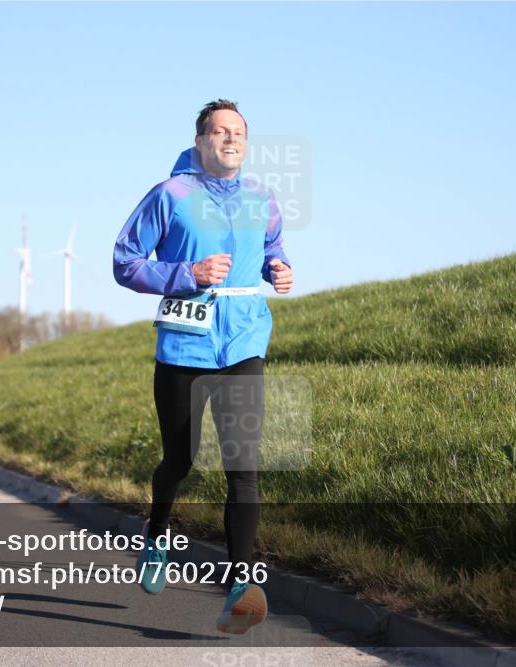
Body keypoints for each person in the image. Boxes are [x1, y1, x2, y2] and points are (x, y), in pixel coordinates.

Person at [113, 100, 294, 634]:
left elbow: (272, 249)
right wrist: (185, 273)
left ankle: (240, 582)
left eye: (238, 132)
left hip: (243, 341)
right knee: (179, 460)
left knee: (244, 466)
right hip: (183, 348)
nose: (230, 139)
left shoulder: (263, 199)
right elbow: (125, 261)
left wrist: (278, 269)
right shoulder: (169, 195)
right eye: (220, 131)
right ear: (200, 142)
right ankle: (157, 531)